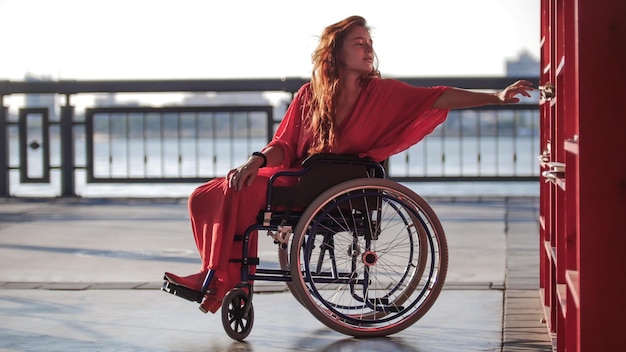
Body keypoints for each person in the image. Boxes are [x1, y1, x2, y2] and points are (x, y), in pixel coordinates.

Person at [164, 15, 534, 313]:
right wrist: (254, 160)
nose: (368, 49)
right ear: (336, 51)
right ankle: (217, 275)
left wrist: (497, 96)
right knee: (203, 195)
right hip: (297, 177)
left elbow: (437, 97)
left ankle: (217, 279)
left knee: (242, 191)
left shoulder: (381, 93)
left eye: (370, 44)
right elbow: (284, 143)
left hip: (329, 186)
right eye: (359, 43)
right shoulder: (310, 95)